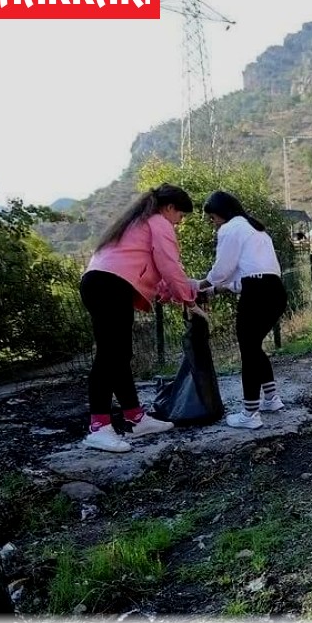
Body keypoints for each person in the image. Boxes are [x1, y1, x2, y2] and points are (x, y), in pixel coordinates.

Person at [78, 184, 197, 453]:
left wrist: (170, 292)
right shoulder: (158, 222)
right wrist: (189, 301)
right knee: (109, 356)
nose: (179, 223)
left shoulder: (137, 222)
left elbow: (152, 268)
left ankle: (135, 418)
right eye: (181, 216)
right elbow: (170, 264)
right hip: (109, 286)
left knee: (120, 354)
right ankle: (99, 427)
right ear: (169, 208)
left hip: (101, 283)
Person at [197, 191, 288, 430]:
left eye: (212, 218)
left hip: (256, 294)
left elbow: (222, 271)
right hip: (274, 291)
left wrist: (201, 285)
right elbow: (240, 279)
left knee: (248, 351)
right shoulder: (255, 229)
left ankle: (250, 413)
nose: (213, 224)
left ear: (220, 214)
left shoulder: (229, 229)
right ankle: (271, 399)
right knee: (254, 346)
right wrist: (214, 290)